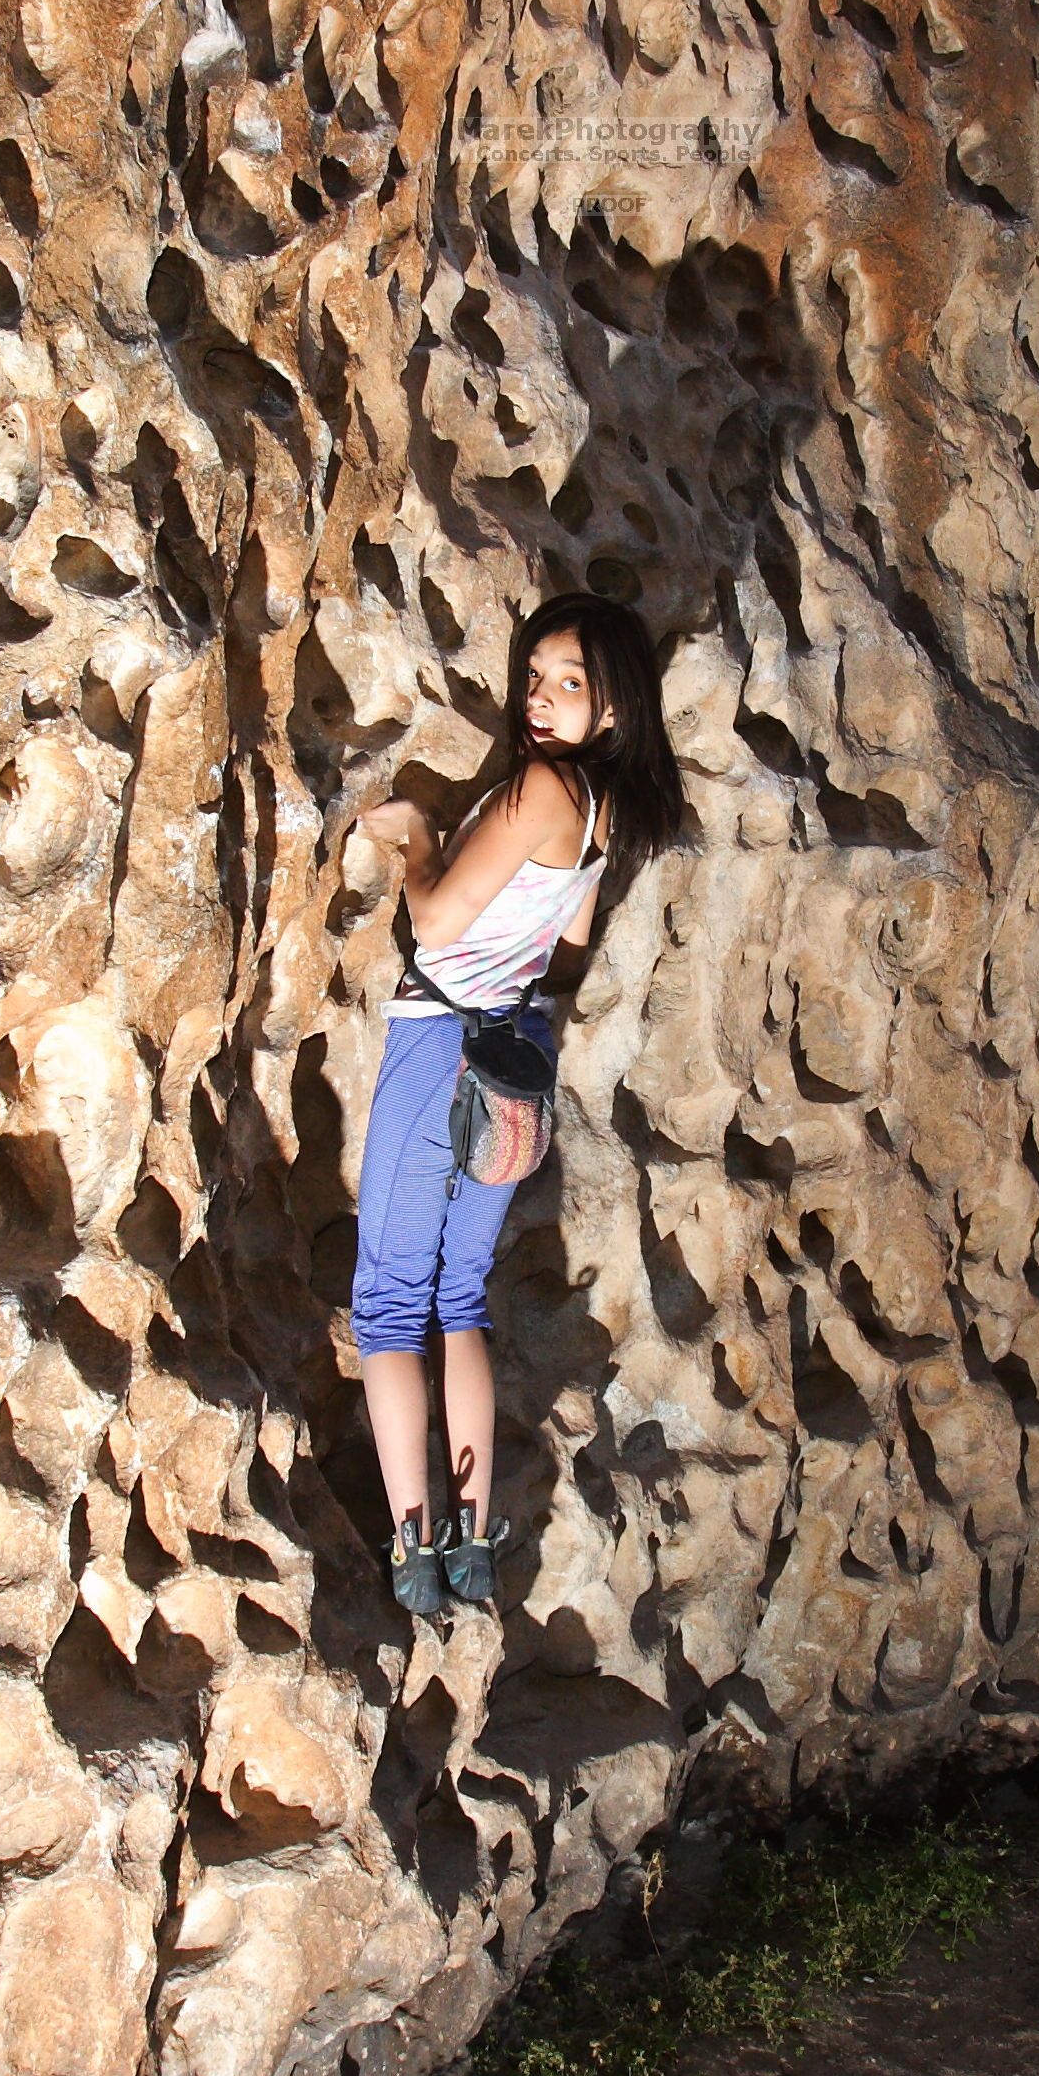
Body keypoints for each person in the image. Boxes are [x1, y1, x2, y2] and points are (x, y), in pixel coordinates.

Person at [349, 590, 690, 1617]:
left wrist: (413, 837)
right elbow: (571, 939)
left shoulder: (539, 784)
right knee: (458, 1298)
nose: (540, 700)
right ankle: (470, 1545)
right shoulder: (602, 805)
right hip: (518, 1057)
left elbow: (441, 925)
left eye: (569, 684)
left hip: (441, 1044)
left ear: (614, 705)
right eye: (535, 677)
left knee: (388, 1303)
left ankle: (415, 1548)